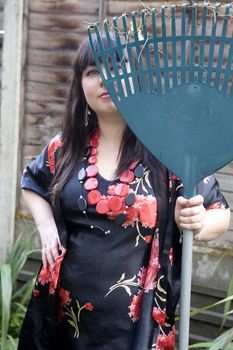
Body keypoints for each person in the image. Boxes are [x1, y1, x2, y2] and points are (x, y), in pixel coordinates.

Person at [18, 32, 230, 350]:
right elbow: (32, 182)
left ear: (136, 79)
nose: (104, 79)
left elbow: (220, 214)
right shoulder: (65, 147)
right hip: (65, 320)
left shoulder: (166, 148)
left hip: (136, 329)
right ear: (80, 84)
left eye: (116, 67)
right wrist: (47, 227)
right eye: (92, 71)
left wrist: (196, 221)